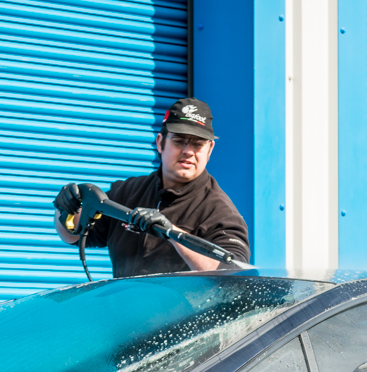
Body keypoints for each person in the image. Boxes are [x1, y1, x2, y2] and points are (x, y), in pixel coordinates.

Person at [52, 98, 251, 277]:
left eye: (198, 144)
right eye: (179, 140)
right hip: (127, 315)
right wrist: (66, 208)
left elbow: (233, 273)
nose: (188, 151)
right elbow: (72, 235)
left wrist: (172, 233)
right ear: (160, 142)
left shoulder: (219, 212)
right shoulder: (127, 193)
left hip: (185, 318)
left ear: (210, 150)